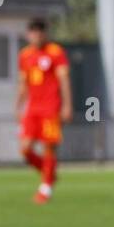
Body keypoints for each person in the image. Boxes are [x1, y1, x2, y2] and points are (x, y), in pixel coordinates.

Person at [17, 19, 72, 204]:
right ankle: (50, 173)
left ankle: (45, 188)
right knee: (25, 149)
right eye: (33, 32)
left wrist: (67, 105)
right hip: (33, 109)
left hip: (51, 107)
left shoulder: (55, 52)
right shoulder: (25, 55)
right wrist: (18, 105)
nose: (37, 35)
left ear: (45, 33)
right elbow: (23, 83)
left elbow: (64, 80)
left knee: (49, 148)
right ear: (28, 34)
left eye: (40, 31)